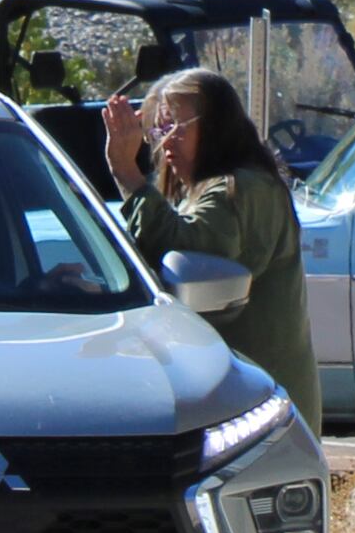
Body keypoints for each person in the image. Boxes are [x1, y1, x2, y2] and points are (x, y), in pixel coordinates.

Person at [107, 68, 313, 413]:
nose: (165, 140)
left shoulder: (243, 189)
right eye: (159, 129)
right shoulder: (204, 191)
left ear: (216, 127)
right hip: (241, 401)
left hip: (262, 411)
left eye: (176, 126)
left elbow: (183, 255)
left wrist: (125, 171)